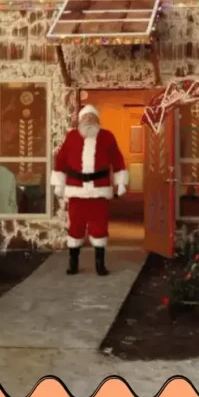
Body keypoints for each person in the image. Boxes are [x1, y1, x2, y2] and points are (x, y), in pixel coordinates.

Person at [50, 105, 128, 275]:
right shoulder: (71, 137)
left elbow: (117, 159)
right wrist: (59, 183)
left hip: (99, 191)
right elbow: (61, 160)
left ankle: (100, 265)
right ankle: (73, 263)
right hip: (76, 191)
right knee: (76, 227)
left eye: (92, 119)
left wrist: (120, 183)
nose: (89, 122)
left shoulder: (107, 137)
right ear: (80, 121)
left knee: (99, 227)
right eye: (85, 119)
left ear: (97, 121)